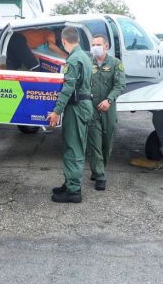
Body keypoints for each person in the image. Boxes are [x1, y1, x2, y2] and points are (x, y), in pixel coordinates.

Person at [46, 27, 93, 203]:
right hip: (82, 104)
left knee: (74, 147)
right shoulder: (84, 57)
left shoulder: (73, 59)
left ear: (64, 42)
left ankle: (74, 191)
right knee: (72, 145)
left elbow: (68, 87)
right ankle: (69, 182)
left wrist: (57, 111)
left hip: (77, 106)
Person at [86, 34, 125, 191]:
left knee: (106, 143)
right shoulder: (88, 63)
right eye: (93, 44)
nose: (95, 47)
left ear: (106, 46)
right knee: (94, 143)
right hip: (92, 109)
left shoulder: (116, 63)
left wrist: (109, 100)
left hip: (109, 109)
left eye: (98, 44)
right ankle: (100, 175)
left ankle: (98, 168)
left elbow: (120, 85)